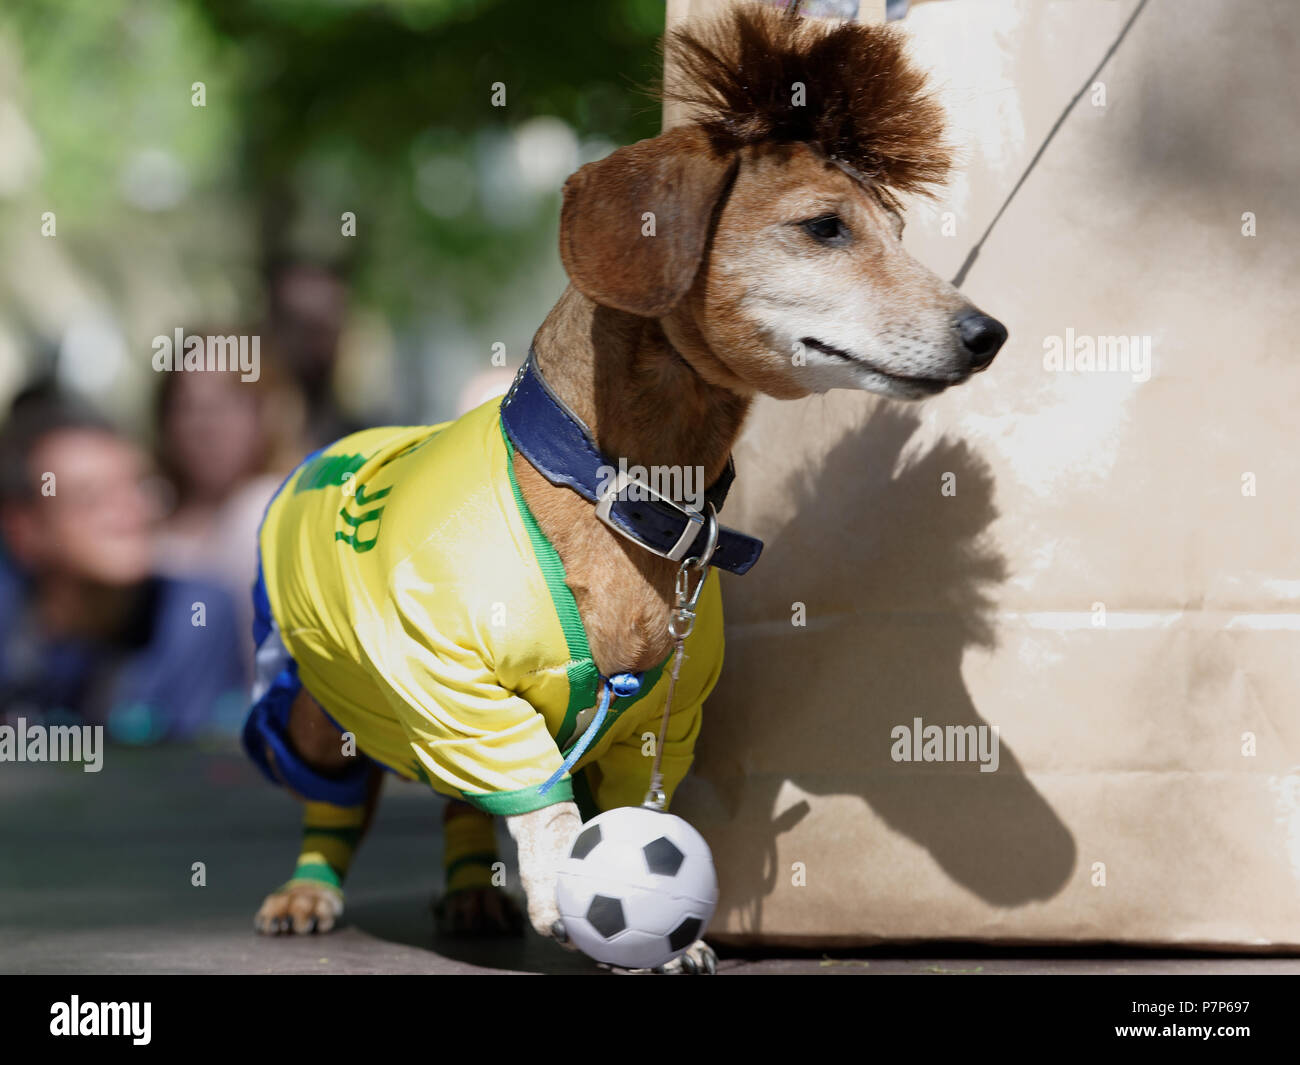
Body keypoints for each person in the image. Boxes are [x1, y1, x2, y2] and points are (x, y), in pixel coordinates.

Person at [0, 393, 247, 742]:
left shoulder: (197, 612)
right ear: (24, 529)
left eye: (138, 486)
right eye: (90, 497)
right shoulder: (11, 622)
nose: (130, 510)